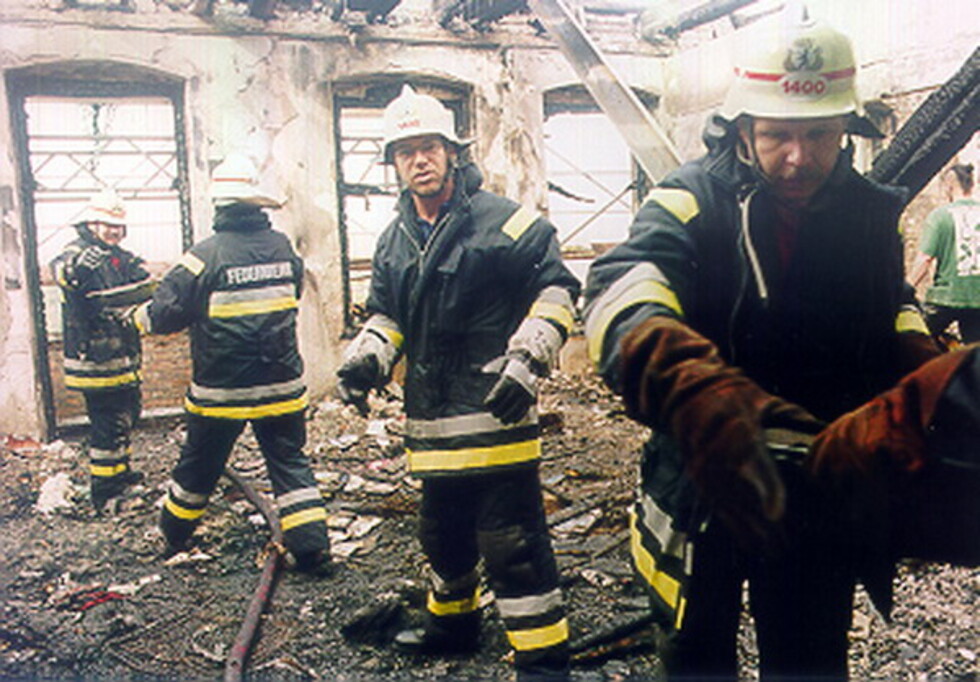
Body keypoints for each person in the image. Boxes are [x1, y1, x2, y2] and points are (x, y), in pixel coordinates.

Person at [583, 11, 945, 679]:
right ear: (743, 128)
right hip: (703, 480)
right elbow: (620, 287)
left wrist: (920, 364)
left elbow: (892, 301)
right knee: (696, 661)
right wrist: (684, 379)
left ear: (848, 130)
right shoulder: (690, 200)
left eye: (820, 135)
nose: (798, 157)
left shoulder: (869, 215)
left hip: (816, 481)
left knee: (809, 658)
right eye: (777, 135)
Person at [336, 84, 580, 680]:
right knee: (441, 538)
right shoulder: (395, 238)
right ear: (393, 163)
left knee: (512, 547)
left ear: (453, 151)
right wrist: (368, 354)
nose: (419, 160)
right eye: (404, 151)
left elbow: (557, 289)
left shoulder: (507, 222)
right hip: (432, 427)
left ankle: (544, 663)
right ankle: (453, 628)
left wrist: (530, 356)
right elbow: (388, 314)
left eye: (429, 147)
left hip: (496, 419)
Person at [134, 153, 331, 575]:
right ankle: (312, 548)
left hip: (220, 392)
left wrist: (136, 316)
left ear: (219, 207)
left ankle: (175, 534)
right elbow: (291, 295)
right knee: (289, 463)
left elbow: (164, 315)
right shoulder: (283, 248)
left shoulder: (203, 256)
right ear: (258, 207)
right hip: (281, 385)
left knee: (200, 464)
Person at [50, 189, 155, 510]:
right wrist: (78, 269)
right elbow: (61, 272)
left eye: (119, 226)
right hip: (95, 360)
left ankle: (120, 474)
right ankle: (106, 492)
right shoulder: (75, 251)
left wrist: (142, 277)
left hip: (122, 358)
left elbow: (140, 279)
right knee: (107, 424)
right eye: (108, 225)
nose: (115, 231)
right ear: (91, 222)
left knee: (126, 416)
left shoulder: (117, 255)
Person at [910, 163, 980, 343]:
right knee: (974, 356)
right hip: (978, 300)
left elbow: (924, 260)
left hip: (945, 298)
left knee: (916, 340)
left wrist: (905, 290)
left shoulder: (940, 216)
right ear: (972, 184)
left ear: (949, 185)